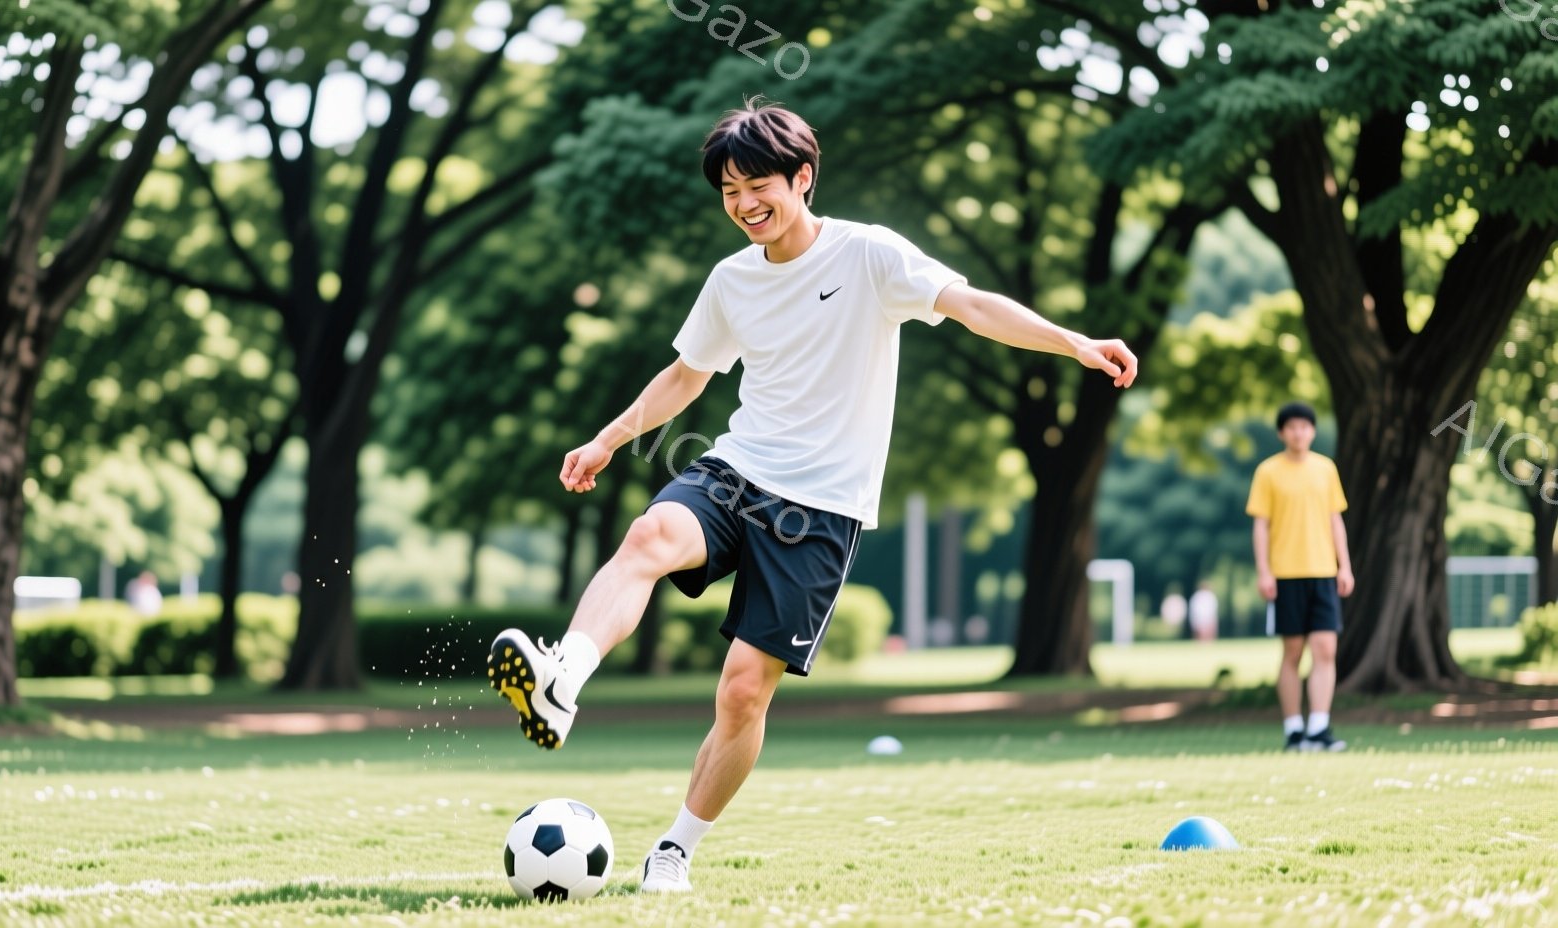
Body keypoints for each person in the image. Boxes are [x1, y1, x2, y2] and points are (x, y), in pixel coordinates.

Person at [487, 97, 1139, 893]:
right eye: (729, 192)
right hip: (738, 472)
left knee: (742, 692)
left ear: (802, 177)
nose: (744, 204)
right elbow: (687, 375)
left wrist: (1074, 342)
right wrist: (607, 439)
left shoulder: (869, 255)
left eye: (757, 185)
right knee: (649, 536)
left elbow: (970, 306)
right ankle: (563, 679)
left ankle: (676, 848)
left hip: (820, 512)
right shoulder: (731, 280)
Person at [1246, 401, 1354, 752]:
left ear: (1313, 431)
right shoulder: (1268, 472)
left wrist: (1344, 565)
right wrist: (1264, 571)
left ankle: (1319, 727)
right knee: (1292, 651)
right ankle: (1294, 730)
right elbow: (1261, 526)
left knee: (1325, 648)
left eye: (1305, 426)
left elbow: (1335, 520)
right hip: (1285, 574)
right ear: (1282, 433)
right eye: (1292, 427)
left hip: (1323, 572)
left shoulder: (1326, 469)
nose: (1299, 433)